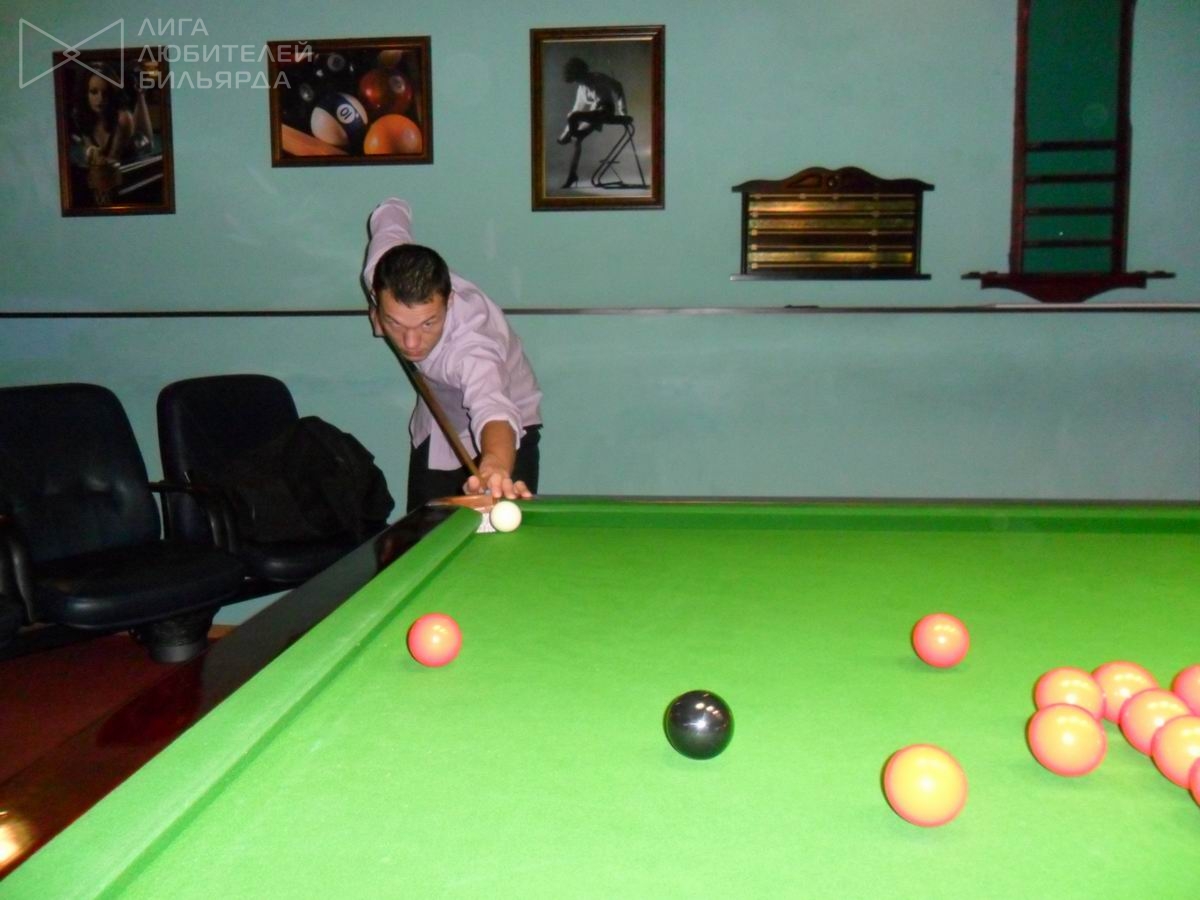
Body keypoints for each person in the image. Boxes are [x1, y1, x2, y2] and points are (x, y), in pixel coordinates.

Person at [362, 199, 543, 512]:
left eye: (428, 323)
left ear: (450, 302)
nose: (411, 343)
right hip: (439, 417)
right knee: (424, 525)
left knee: (499, 526)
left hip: (506, 427)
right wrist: (380, 319)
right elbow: (391, 211)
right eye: (396, 323)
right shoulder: (380, 268)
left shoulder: (472, 346)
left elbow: (493, 407)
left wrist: (495, 465)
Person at [69, 62, 154, 205]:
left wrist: (95, 158)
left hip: (139, 145)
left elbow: (113, 159)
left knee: (145, 139)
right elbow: (91, 152)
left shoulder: (123, 118)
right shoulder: (79, 115)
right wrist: (91, 153)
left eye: (106, 92)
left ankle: (141, 94)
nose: (100, 99)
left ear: (113, 93)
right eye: (94, 92)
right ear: (85, 93)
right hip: (115, 153)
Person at [555, 57, 627, 188]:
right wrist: (566, 131)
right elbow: (577, 109)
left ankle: (570, 136)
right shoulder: (581, 88)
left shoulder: (598, 76)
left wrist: (623, 112)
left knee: (573, 119)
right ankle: (572, 175)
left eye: (578, 78)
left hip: (606, 110)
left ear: (581, 72)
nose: (578, 82)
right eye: (575, 80)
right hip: (595, 113)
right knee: (576, 138)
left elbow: (618, 86)